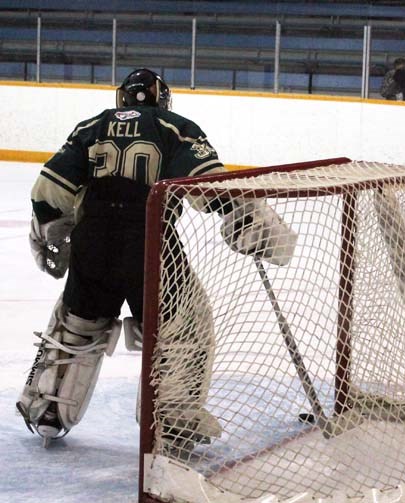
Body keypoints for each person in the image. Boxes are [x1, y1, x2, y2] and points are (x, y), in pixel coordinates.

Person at [16, 68, 295, 449]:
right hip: (149, 241)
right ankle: (172, 422)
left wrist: (53, 233)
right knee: (184, 330)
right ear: (161, 97)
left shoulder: (91, 126)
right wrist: (245, 221)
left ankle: (48, 409)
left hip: (92, 239)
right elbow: (209, 188)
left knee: (77, 324)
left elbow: (47, 191)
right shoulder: (175, 126)